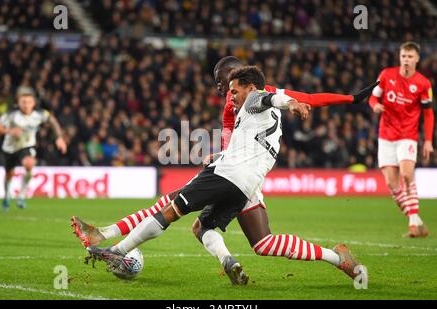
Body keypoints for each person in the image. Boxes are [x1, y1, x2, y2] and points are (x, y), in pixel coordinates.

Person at [72, 57, 376, 284]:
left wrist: (332, 99)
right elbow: (245, 128)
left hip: (230, 173)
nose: (225, 92)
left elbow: (281, 98)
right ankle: (337, 258)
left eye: (227, 85)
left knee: (172, 205)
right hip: (248, 181)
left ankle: (114, 243)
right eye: (222, 87)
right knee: (255, 240)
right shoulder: (238, 106)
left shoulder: (256, 96)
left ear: (243, 82)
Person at [369, 42, 434, 238]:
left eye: (410, 56)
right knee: (392, 184)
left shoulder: (423, 83)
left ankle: (413, 224)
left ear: (417, 59)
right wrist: (375, 107)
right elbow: (373, 98)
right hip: (386, 134)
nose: (406, 60)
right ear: (400, 57)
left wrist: (428, 141)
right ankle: (417, 220)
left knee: (406, 175)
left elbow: (428, 114)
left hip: (408, 135)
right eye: (403, 56)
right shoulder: (386, 75)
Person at [0, 86, 67, 210]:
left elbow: (52, 120)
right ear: (18, 102)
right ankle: (6, 196)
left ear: (34, 103)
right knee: (9, 174)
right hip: (9, 148)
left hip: (27, 145)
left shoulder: (39, 113)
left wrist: (59, 137)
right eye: (23, 102)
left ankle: (21, 195)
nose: (26, 105)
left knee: (29, 163)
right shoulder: (11, 114)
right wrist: (9, 131)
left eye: (29, 102)